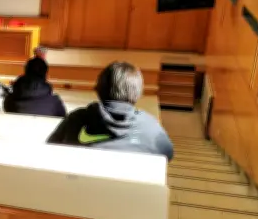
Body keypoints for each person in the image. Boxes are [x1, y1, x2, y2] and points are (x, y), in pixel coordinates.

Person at [46, 61, 174, 159]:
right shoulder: (150, 126)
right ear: (138, 93)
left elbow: (50, 150)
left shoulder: (75, 120)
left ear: (98, 89)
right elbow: (167, 155)